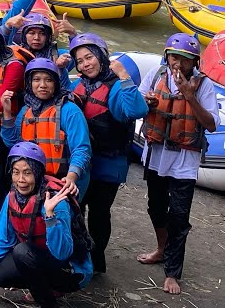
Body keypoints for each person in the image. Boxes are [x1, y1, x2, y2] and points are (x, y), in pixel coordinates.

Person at [136, 33, 218, 295]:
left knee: (179, 216)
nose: (178, 64)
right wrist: (146, 102)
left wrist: (189, 96)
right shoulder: (157, 74)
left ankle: (173, 272)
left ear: (193, 62)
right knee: (156, 207)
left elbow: (211, 124)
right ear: (166, 57)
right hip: (157, 152)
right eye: (174, 57)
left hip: (184, 158)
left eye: (184, 60)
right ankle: (162, 249)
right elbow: (137, 105)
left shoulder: (203, 85)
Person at [0, 141, 93, 308]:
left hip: (69, 270)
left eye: (27, 173)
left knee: (22, 251)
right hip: (35, 258)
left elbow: (63, 253)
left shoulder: (57, 200)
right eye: (16, 172)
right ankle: (40, 285)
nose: (20, 180)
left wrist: (50, 216)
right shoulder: (12, 196)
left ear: (37, 173)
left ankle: (48, 301)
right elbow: (2, 237)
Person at [69, 32, 148, 274]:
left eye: (90, 57)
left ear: (102, 56)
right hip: (83, 162)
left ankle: (97, 258)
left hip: (108, 162)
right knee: (76, 209)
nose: (85, 64)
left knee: (100, 213)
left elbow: (137, 109)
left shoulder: (116, 87)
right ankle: (79, 255)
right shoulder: (80, 85)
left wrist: (124, 76)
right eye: (80, 61)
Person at [0, 58, 92, 199]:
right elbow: (13, 143)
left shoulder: (69, 110)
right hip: (32, 181)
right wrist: (7, 113)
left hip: (63, 180)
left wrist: (71, 177)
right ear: (30, 84)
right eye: (36, 80)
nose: (42, 85)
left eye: (48, 80)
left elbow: (82, 149)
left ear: (56, 83)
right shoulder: (25, 110)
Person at [5, 11, 73, 68]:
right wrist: (7, 26)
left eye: (42, 34)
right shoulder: (14, 54)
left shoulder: (59, 55)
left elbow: (80, 55)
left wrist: (72, 33)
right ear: (24, 36)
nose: (36, 38)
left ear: (48, 37)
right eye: (32, 33)